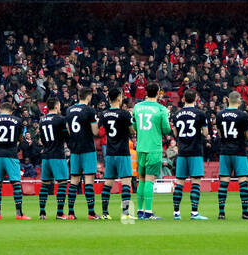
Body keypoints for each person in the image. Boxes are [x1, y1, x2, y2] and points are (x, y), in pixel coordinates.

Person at [214, 91, 248, 220]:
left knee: (224, 182)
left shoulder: (220, 114)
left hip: (225, 150)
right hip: (239, 151)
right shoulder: (243, 115)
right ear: (239, 101)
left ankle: (221, 212)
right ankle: (245, 211)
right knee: (243, 180)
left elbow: (220, 133)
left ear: (227, 100)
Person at [133, 83, 171, 220]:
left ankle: (139, 211)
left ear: (146, 93)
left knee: (141, 179)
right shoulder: (161, 109)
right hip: (153, 148)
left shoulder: (137, 107)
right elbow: (166, 130)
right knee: (150, 180)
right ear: (158, 93)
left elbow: (135, 126)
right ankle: (148, 212)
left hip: (141, 147)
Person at [171, 90, 209, 220]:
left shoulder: (177, 114)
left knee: (179, 182)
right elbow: (205, 133)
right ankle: (194, 213)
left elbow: (175, 134)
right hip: (195, 151)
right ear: (196, 98)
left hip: (182, 151)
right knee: (195, 182)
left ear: (183, 99)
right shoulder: (200, 113)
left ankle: (176, 213)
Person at [0, 101, 28, 220]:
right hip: (11, 154)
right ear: (11, 111)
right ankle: (19, 213)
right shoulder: (18, 121)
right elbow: (20, 138)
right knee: (16, 183)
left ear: (0, 110)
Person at [63, 89, 100, 219]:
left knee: (74, 181)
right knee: (89, 180)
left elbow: (68, 130)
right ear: (88, 96)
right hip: (88, 148)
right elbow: (95, 132)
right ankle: (91, 213)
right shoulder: (90, 110)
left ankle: (71, 213)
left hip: (75, 149)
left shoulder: (69, 110)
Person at [98, 88, 134, 220]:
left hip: (110, 151)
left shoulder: (104, 114)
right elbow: (132, 132)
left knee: (108, 182)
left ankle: (105, 213)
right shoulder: (124, 114)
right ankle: (125, 213)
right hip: (123, 151)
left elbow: (99, 131)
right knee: (126, 182)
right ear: (119, 98)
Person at [37, 98, 69, 220]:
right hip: (57, 154)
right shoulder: (60, 119)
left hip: (46, 155)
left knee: (45, 184)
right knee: (62, 183)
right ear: (56, 106)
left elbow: (42, 139)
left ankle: (42, 213)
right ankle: (60, 213)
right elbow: (66, 137)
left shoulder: (42, 120)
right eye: (59, 105)